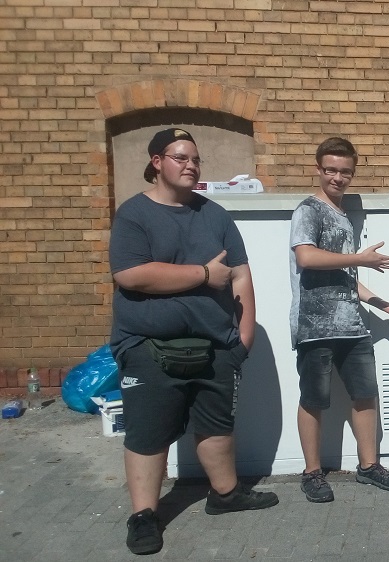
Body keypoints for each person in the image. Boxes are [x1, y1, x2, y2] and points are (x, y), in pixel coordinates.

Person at [110, 128, 278, 555]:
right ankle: (144, 516)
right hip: (149, 346)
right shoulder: (134, 214)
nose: (191, 165)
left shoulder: (215, 216)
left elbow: (240, 275)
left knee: (217, 425)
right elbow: (131, 275)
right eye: (181, 157)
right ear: (156, 162)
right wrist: (203, 275)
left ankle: (225, 495)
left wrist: (243, 339)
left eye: (196, 159)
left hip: (215, 345)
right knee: (149, 434)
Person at [289, 136, 389, 503]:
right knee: (313, 399)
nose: (338, 177)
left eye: (345, 172)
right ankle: (312, 473)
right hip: (314, 326)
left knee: (365, 395)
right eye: (331, 170)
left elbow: (345, 275)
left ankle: (368, 466)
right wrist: (360, 259)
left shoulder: (344, 217)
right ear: (318, 169)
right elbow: (306, 258)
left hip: (352, 326)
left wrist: (383, 304)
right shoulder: (308, 210)